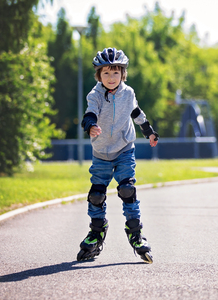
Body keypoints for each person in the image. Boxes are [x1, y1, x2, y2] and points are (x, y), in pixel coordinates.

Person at [76, 48, 158, 263]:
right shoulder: (94, 95)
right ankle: (96, 231)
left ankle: (136, 233)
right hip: (101, 152)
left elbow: (136, 113)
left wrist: (149, 131)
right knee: (96, 194)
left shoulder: (128, 93)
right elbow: (89, 113)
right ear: (98, 75)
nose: (111, 78)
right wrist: (91, 126)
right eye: (106, 73)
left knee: (127, 189)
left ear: (123, 74)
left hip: (124, 148)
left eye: (115, 73)